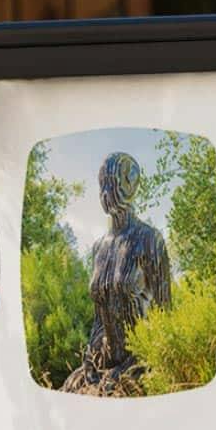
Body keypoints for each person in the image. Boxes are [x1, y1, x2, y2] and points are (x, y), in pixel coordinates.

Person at [63, 151, 173, 396]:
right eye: (103, 184)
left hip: (142, 362)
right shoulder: (98, 248)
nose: (106, 192)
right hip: (105, 360)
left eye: (113, 183)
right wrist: (90, 357)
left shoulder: (148, 239)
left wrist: (134, 363)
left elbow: (165, 313)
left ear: (129, 186)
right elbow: (99, 318)